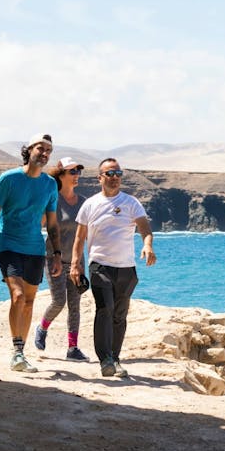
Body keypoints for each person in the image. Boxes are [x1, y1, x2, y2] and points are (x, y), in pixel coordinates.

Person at [0, 133, 61, 372]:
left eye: (48, 151)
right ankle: (16, 351)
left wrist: (57, 254)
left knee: (29, 301)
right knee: (17, 296)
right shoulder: (9, 178)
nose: (44, 154)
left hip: (35, 248)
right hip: (9, 244)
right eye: (40, 148)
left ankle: (21, 352)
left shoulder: (49, 185)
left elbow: (53, 223)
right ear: (29, 150)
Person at [70, 158, 156, 378]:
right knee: (104, 309)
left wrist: (147, 246)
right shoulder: (90, 204)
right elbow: (80, 238)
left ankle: (115, 358)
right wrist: (75, 265)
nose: (115, 177)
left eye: (118, 173)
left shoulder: (131, 202)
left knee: (119, 315)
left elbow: (145, 229)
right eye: (110, 173)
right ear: (100, 178)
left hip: (126, 268)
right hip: (99, 265)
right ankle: (105, 359)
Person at [34, 157, 90, 361]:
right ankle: (42, 328)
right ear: (61, 175)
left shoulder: (84, 202)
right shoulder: (52, 200)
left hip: (76, 261)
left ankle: (73, 348)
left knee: (75, 305)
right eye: (72, 171)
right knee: (59, 301)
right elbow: (39, 224)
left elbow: (87, 231)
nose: (76, 175)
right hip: (53, 258)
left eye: (78, 171)